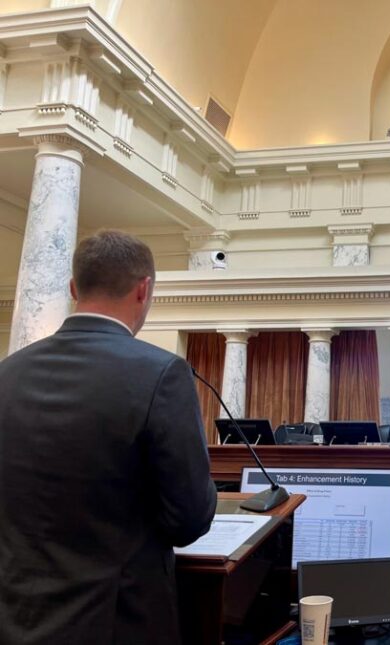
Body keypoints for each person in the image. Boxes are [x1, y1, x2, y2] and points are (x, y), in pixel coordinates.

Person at [0, 231, 217, 645]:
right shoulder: (162, 373)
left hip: (14, 619)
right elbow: (189, 520)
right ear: (145, 289)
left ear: (73, 287)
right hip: (114, 623)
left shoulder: (7, 373)